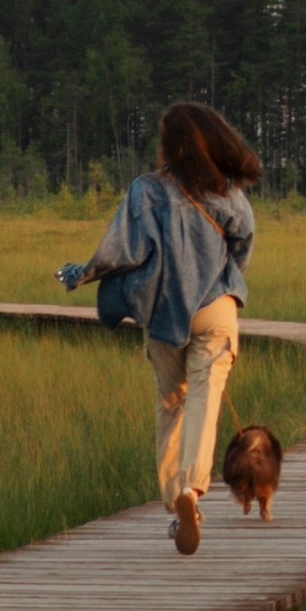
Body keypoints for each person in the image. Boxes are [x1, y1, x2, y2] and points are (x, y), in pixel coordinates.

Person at [59, 101, 261, 554]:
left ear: (170, 145)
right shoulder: (226, 190)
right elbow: (243, 240)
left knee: (171, 405)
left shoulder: (145, 190)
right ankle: (193, 490)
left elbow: (120, 251)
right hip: (216, 308)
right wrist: (226, 278)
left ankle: (176, 505)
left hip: (164, 314)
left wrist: (81, 274)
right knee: (204, 403)